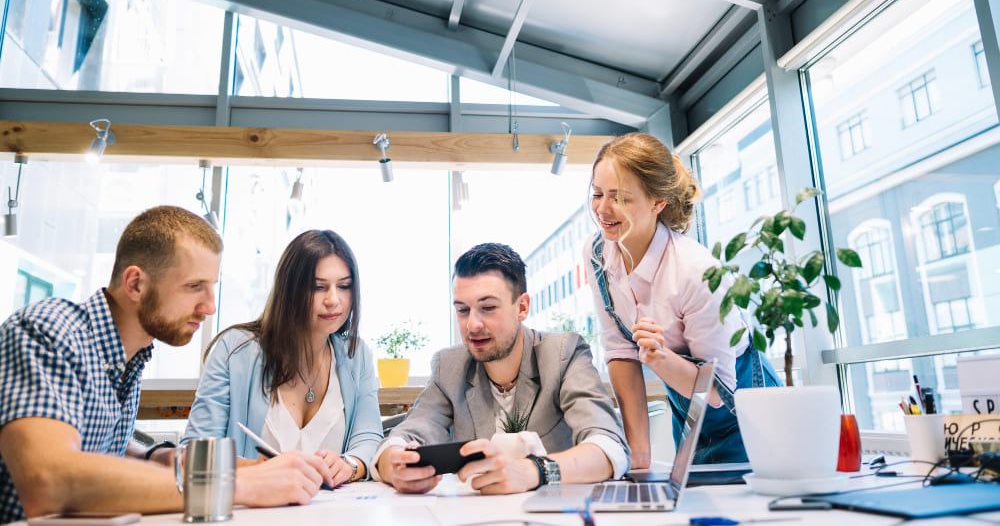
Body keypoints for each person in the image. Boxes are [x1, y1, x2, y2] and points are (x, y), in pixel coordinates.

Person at [0, 206, 334, 524]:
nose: (209, 307)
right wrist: (244, 488)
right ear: (136, 284)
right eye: (193, 287)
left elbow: (90, 440)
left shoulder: (128, 355)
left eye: (211, 287)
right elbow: (48, 481)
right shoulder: (48, 331)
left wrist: (161, 458)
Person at [585, 133, 780, 467]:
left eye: (619, 198)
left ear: (657, 202)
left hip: (746, 412)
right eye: (598, 194)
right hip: (688, 408)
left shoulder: (696, 271)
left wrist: (660, 359)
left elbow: (720, 392)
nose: (603, 209)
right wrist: (639, 456)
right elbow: (619, 352)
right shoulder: (598, 253)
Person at [374, 242, 629, 495]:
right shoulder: (448, 366)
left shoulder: (564, 354)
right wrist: (392, 465)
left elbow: (609, 446)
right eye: (462, 310)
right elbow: (403, 437)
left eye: (488, 308)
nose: (472, 324)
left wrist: (534, 471)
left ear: (522, 307)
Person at [184, 229, 382, 485]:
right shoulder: (234, 350)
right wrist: (255, 470)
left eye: (344, 286)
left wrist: (350, 464)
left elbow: (368, 435)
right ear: (289, 291)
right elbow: (194, 450)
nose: (333, 300)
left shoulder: (357, 355)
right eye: (318, 287)